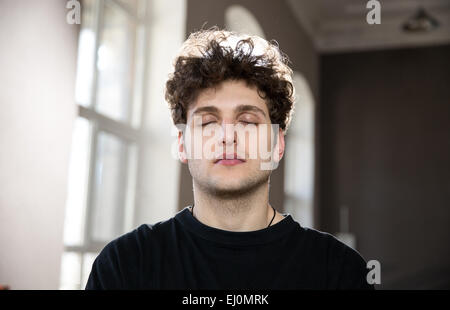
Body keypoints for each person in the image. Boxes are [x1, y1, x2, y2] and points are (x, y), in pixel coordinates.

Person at [85, 27, 374, 290]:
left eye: (247, 121)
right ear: (182, 144)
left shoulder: (339, 271)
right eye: (208, 122)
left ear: (277, 144)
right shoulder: (124, 266)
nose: (227, 137)